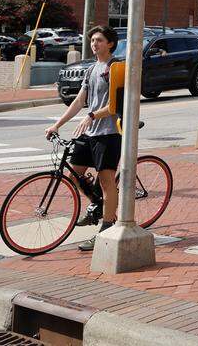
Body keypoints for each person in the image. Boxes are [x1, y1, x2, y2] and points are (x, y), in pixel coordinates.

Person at [45, 25, 121, 252]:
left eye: (99, 40)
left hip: (109, 133)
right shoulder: (91, 69)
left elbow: (116, 104)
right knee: (74, 174)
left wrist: (92, 115)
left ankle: (106, 231)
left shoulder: (116, 67)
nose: (94, 44)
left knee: (107, 182)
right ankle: (98, 205)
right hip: (89, 133)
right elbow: (79, 101)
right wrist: (57, 125)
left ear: (110, 43)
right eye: (92, 41)